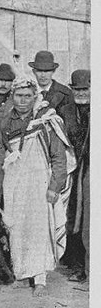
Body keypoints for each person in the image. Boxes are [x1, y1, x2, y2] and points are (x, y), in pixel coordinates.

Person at [0, 75, 70, 296]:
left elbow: (59, 157)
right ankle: (22, 273)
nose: (22, 100)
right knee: (16, 227)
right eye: (18, 96)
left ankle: (40, 278)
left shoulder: (47, 119)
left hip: (40, 182)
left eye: (27, 96)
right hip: (14, 182)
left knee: (39, 228)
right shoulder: (5, 123)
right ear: (12, 97)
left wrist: (54, 186)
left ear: (35, 97)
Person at [59, 69, 90, 283]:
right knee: (71, 217)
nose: (80, 93)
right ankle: (76, 265)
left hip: (90, 171)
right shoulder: (65, 111)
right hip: (72, 169)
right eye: (76, 89)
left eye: (85, 89)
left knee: (89, 218)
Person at [29, 50, 73, 116]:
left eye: (47, 71)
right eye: (39, 71)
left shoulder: (65, 93)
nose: (43, 75)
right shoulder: (28, 91)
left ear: (53, 71)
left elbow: (70, 122)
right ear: (34, 71)